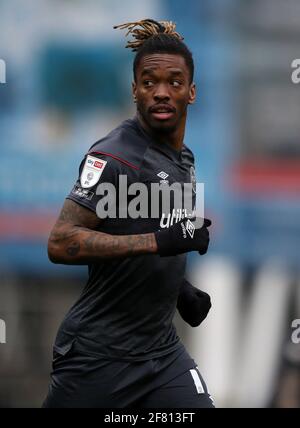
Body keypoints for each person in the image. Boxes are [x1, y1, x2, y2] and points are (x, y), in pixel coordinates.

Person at [42, 19, 214, 408]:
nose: (161, 93)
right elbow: (60, 241)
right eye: (149, 82)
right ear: (134, 90)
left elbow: (154, 233)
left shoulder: (185, 158)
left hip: (161, 352)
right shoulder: (113, 156)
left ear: (192, 91)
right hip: (98, 357)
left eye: (174, 82)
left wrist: (179, 290)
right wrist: (159, 243)